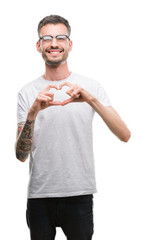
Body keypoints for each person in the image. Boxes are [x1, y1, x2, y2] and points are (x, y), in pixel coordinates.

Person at [15, 15, 131, 240]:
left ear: (69, 44)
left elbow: (124, 135)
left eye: (60, 37)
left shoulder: (90, 87)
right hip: (40, 196)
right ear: (39, 45)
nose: (54, 43)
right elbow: (20, 155)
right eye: (47, 38)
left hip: (79, 194)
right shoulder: (27, 92)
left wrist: (91, 100)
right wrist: (32, 113)